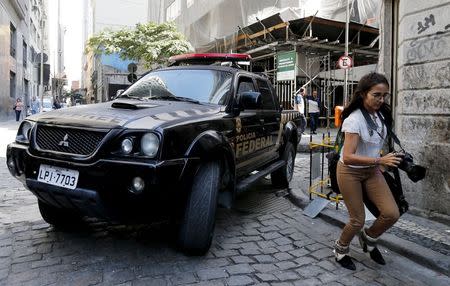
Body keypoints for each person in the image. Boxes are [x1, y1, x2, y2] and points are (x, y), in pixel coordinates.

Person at [333, 72, 402, 270]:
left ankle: (368, 238)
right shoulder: (354, 120)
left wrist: (388, 159)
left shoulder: (381, 114)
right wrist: (381, 159)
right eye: (376, 95)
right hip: (350, 172)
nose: (381, 99)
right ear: (363, 94)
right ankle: (340, 249)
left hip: (371, 170)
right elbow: (347, 156)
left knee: (391, 213)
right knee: (357, 220)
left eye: (385, 95)